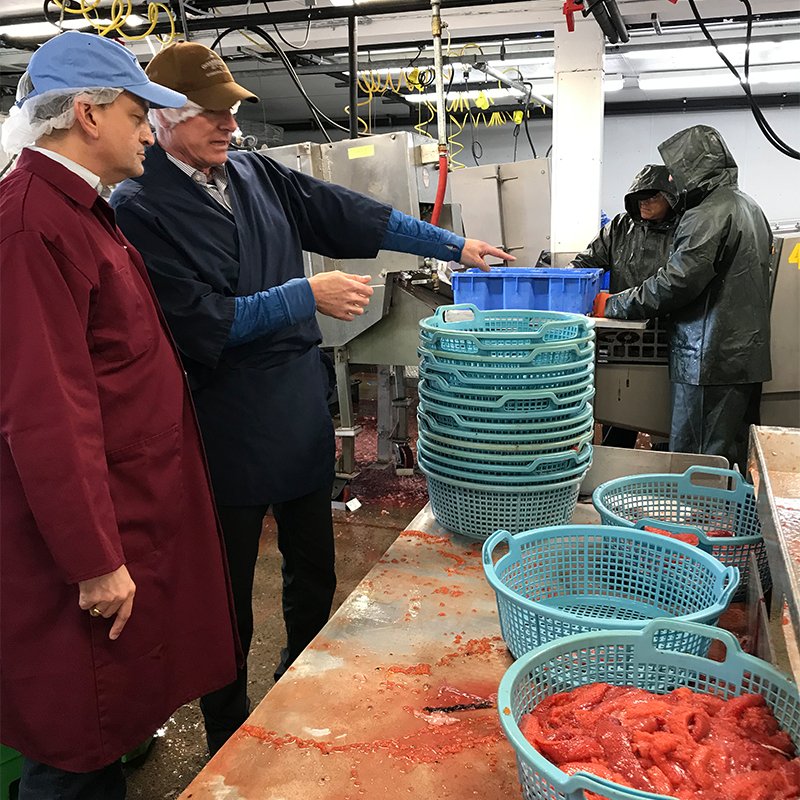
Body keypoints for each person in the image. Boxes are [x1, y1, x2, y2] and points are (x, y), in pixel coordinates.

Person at [109, 41, 512, 755]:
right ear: (163, 116)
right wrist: (305, 293)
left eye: (235, 111)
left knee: (313, 569)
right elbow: (198, 321)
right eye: (212, 113)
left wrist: (452, 245)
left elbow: (353, 213)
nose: (229, 125)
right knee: (224, 597)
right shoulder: (140, 205)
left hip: (294, 406)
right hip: (222, 417)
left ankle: (300, 687)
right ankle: (227, 732)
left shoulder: (256, 173)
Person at [0, 32, 240, 800]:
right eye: (139, 114)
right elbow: (45, 413)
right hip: (76, 546)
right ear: (86, 115)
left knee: (103, 725)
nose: (149, 132)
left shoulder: (80, 210)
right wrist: (94, 558)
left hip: (128, 511)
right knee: (75, 740)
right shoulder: (33, 223)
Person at [604, 125, 773, 470]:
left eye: (676, 171)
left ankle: (695, 520)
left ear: (693, 169)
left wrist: (616, 304)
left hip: (707, 358)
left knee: (695, 461)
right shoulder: (749, 207)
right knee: (731, 457)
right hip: (744, 357)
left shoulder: (706, 215)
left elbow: (676, 282)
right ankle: (725, 520)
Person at [571, 164, 680, 448]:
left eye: (652, 197)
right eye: (639, 197)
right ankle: (612, 467)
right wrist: (567, 285)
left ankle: (662, 468)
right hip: (621, 335)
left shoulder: (684, 229)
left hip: (664, 336)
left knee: (660, 414)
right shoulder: (620, 227)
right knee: (617, 407)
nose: (643, 203)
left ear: (669, 199)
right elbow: (585, 263)